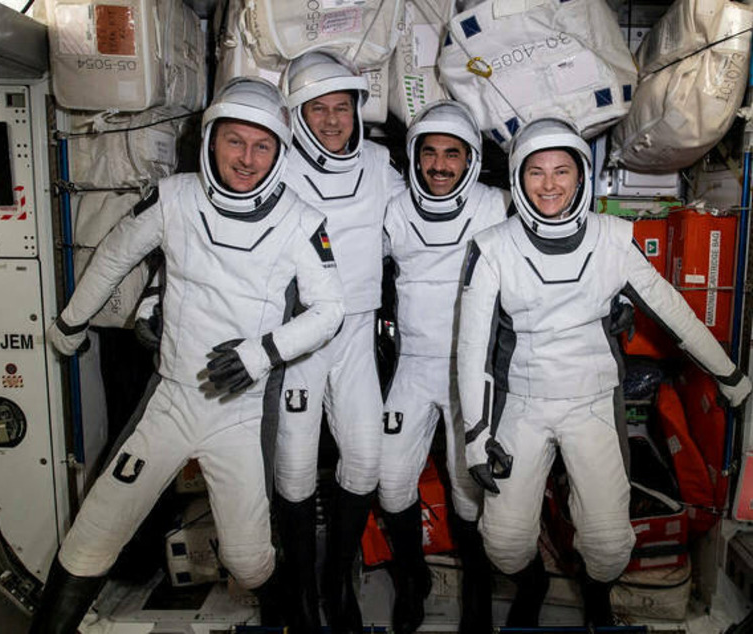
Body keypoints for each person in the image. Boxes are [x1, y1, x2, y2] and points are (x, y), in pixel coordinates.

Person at [32, 77, 345, 634]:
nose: (247, 159)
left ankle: (291, 618)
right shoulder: (175, 197)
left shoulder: (302, 220)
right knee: (93, 535)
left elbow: (330, 311)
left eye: (262, 145)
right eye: (234, 142)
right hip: (171, 401)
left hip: (240, 413)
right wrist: (70, 322)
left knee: (249, 559)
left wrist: (260, 354)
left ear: (279, 150)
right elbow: (114, 254)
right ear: (211, 140)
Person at [456, 117, 753, 628]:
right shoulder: (492, 246)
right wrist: (477, 435)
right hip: (521, 404)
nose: (549, 184)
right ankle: (535, 581)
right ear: (518, 178)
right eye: (536, 172)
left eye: (562, 171)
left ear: (580, 177)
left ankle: (596, 598)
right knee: (503, 546)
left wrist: (729, 373)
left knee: (610, 546)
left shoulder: (615, 239)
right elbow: (471, 347)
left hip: (592, 402)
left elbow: (674, 311)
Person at [274, 50, 404, 634]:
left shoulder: (379, 164)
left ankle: (337, 578)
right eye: (317, 109)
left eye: (341, 107)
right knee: (296, 471)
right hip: (298, 337)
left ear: (357, 109)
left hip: (355, 330)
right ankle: (303, 591)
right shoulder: (273, 167)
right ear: (297, 115)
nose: (331, 120)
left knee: (367, 462)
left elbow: (421, 225)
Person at [380, 100, 507, 634]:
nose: (438, 164)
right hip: (411, 366)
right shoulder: (393, 207)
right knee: (388, 482)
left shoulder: (498, 206)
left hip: (469, 373)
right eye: (428, 152)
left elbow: (557, 245)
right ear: (413, 155)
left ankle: (477, 594)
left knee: (467, 490)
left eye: (452, 154)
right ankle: (413, 580)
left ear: (471, 160)